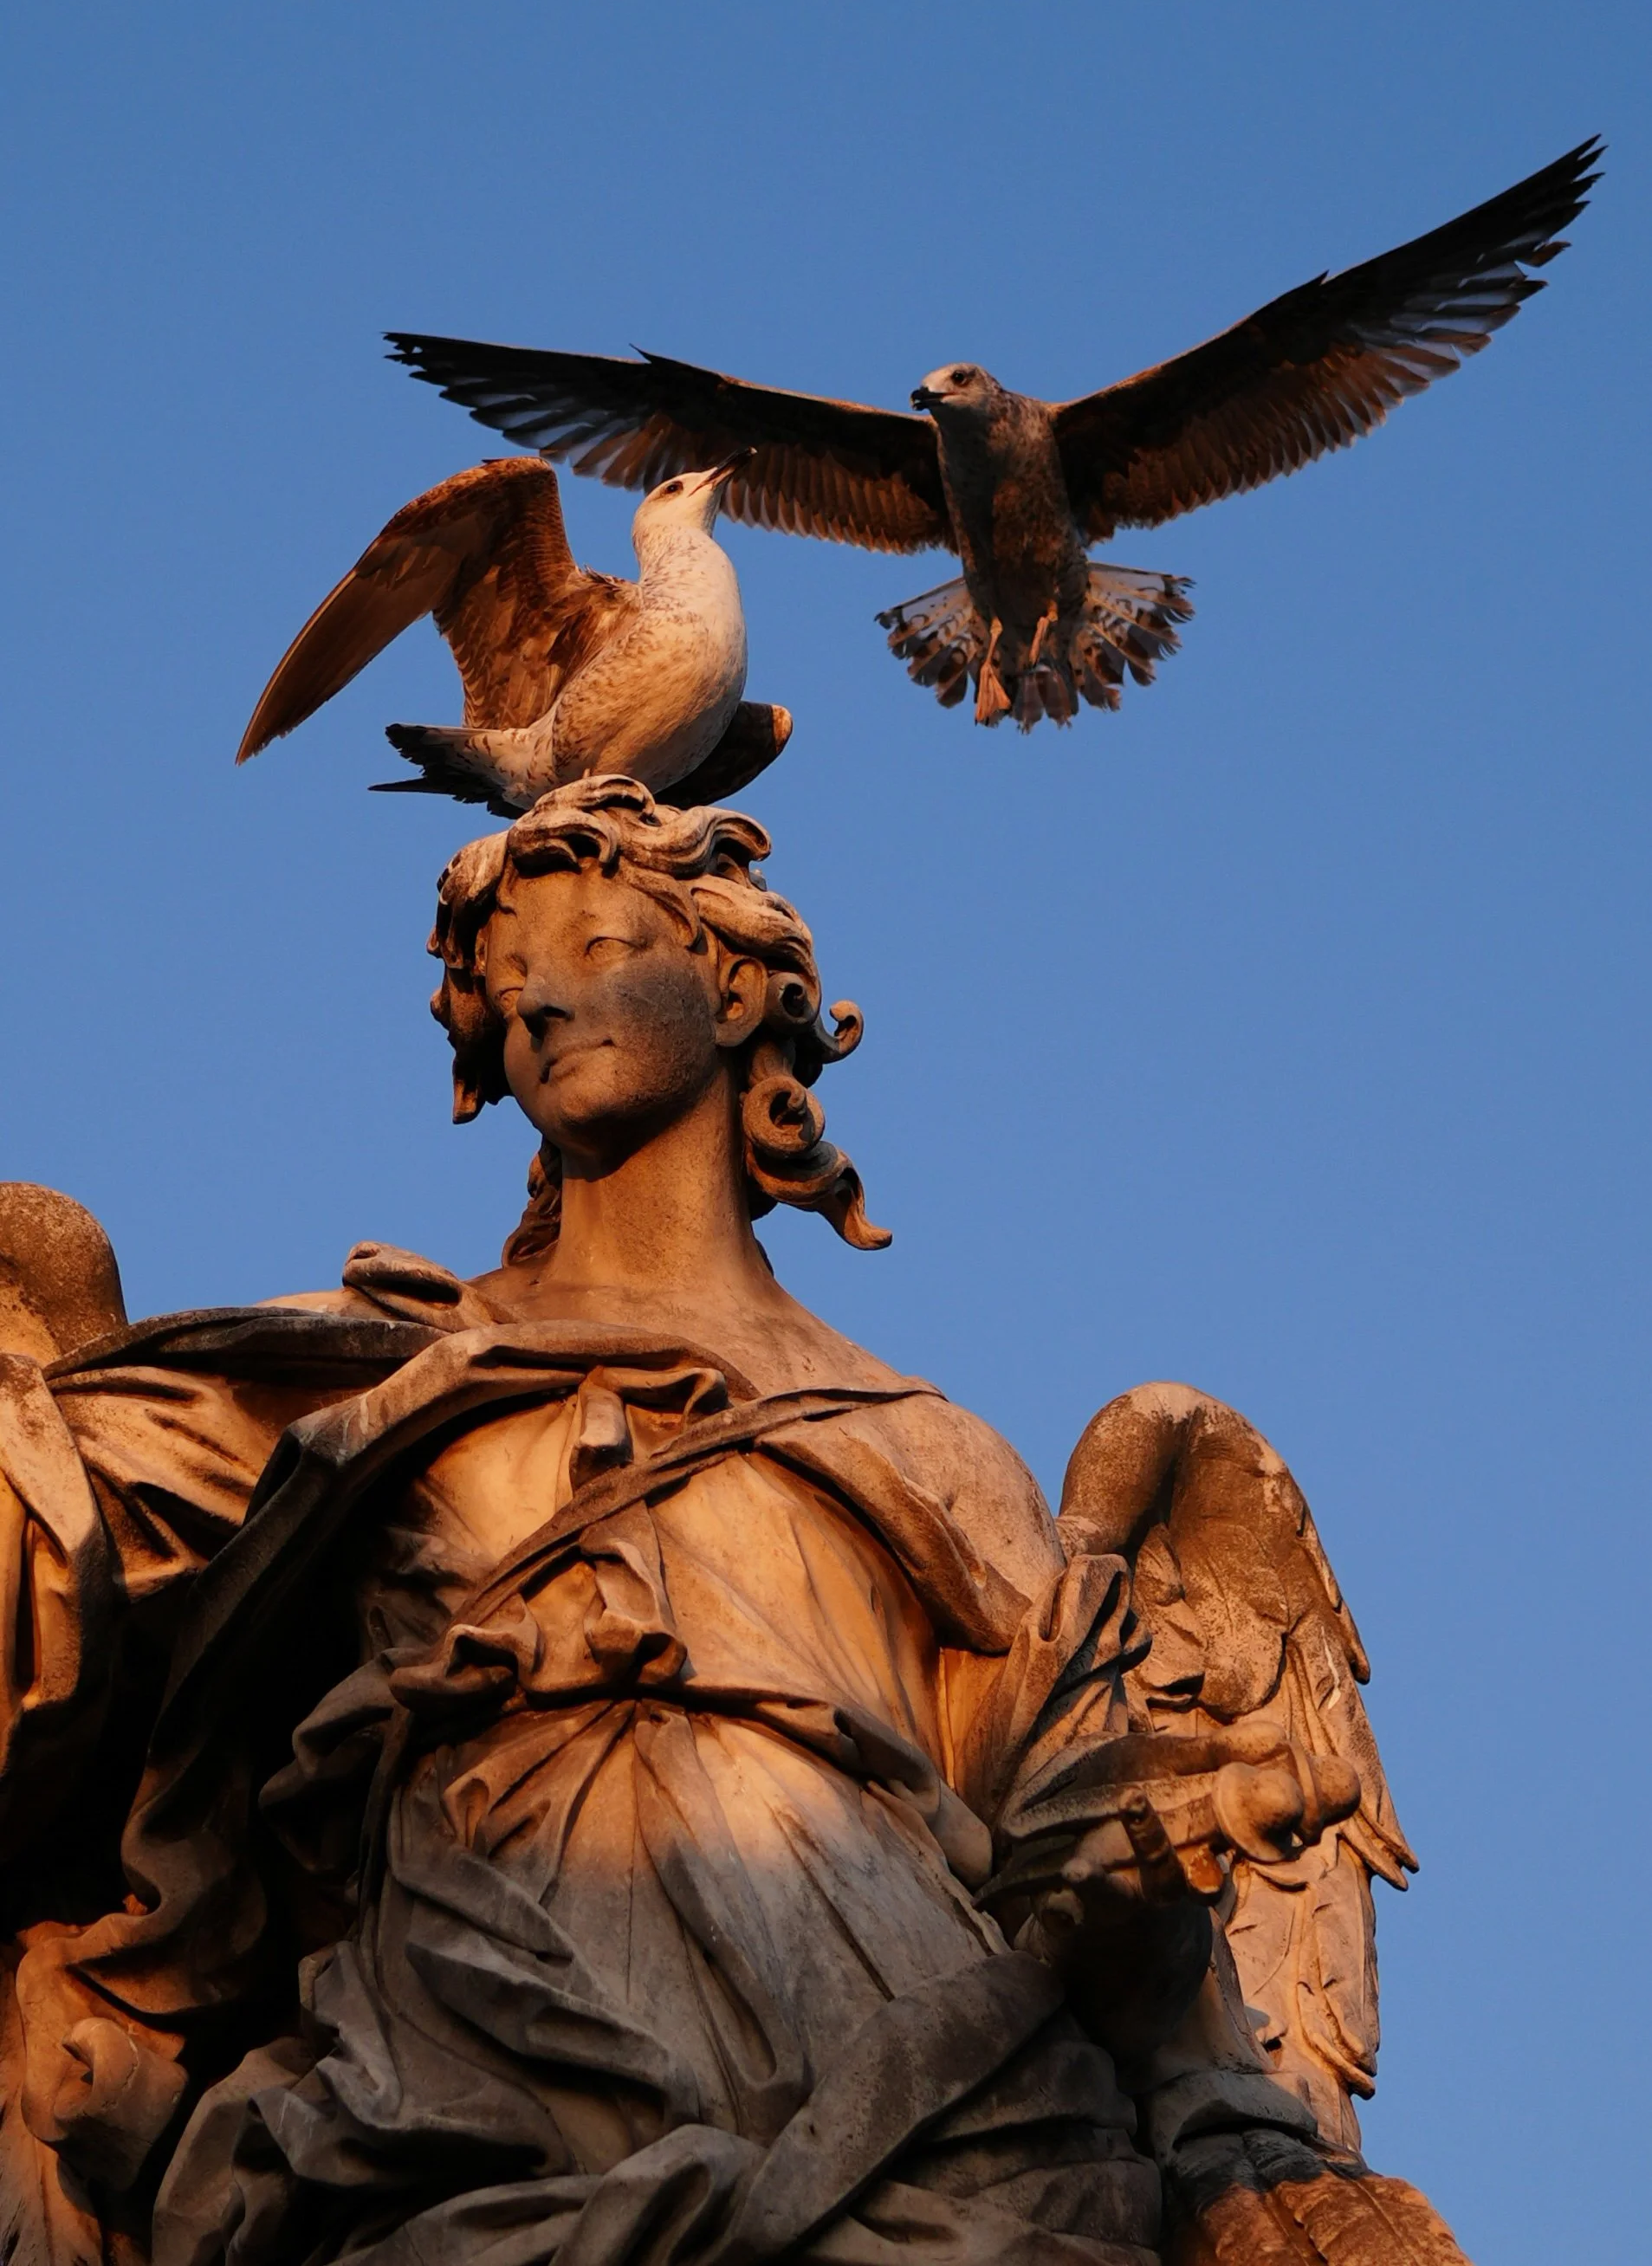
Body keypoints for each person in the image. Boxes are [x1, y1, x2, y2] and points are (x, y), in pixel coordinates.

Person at [0, 780, 1460, 2265]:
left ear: (736, 981)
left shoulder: (932, 1451)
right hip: (474, 2108)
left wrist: (1228, 2121)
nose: (544, 1004)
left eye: (594, 946)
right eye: (507, 987)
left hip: (943, 2129)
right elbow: (52, 1604)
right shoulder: (369, 1374)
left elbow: (1082, 1888)